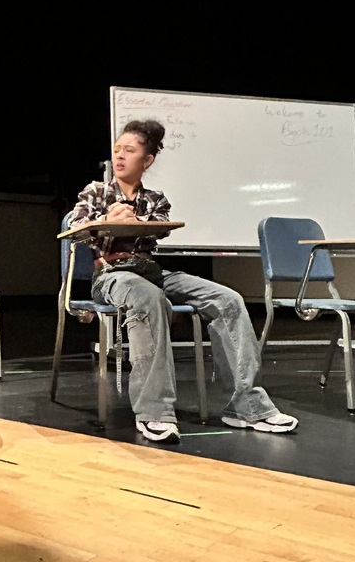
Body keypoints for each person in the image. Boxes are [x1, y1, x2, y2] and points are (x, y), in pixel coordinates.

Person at [69, 118, 298, 444]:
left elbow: (160, 227)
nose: (120, 155)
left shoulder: (156, 199)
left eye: (129, 150)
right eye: (117, 149)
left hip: (151, 271)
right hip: (111, 274)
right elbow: (76, 227)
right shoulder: (97, 191)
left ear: (147, 160)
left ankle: (248, 407)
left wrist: (134, 220)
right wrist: (106, 219)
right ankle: (154, 412)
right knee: (149, 298)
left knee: (227, 300)